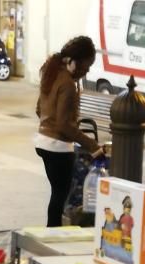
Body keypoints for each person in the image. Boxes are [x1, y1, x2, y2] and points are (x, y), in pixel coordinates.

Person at [34, 35, 105, 227]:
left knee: (57, 193)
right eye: (87, 65)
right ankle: (52, 233)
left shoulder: (51, 73)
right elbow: (65, 125)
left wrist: (48, 125)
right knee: (60, 195)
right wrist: (93, 146)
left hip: (42, 142)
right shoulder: (67, 84)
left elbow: (39, 109)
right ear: (76, 60)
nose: (87, 70)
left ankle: (51, 232)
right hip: (58, 147)